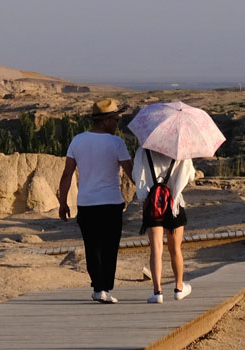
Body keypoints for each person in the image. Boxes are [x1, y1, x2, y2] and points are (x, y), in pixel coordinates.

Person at [58, 98, 133, 304]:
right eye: (116, 119)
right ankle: (104, 288)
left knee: (92, 246)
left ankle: (98, 287)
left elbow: (67, 175)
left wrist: (63, 202)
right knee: (110, 247)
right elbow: (130, 171)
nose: (117, 123)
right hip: (111, 203)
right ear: (106, 120)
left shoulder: (77, 141)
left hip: (87, 203)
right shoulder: (116, 143)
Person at [133, 141, 194, 303]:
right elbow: (191, 176)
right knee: (175, 249)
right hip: (173, 204)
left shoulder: (143, 150)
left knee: (156, 250)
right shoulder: (182, 150)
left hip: (153, 205)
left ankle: (157, 291)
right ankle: (179, 288)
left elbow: (136, 176)